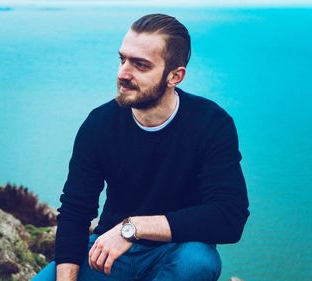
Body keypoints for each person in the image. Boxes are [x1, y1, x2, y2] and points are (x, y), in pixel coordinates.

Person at [32, 13, 249, 281]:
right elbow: (75, 211)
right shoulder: (99, 124)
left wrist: (133, 227)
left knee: (198, 262)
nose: (123, 74)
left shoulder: (210, 124)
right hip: (110, 256)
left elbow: (229, 217)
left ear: (175, 76)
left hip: (175, 252)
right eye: (122, 59)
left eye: (140, 65)